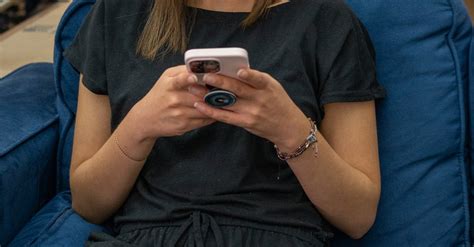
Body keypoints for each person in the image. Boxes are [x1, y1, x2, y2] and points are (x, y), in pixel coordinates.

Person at [64, 0, 386, 246]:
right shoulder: (115, 14)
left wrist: (290, 129)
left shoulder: (327, 20)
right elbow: (89, 203)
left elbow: (357, 216)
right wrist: (138, 127)